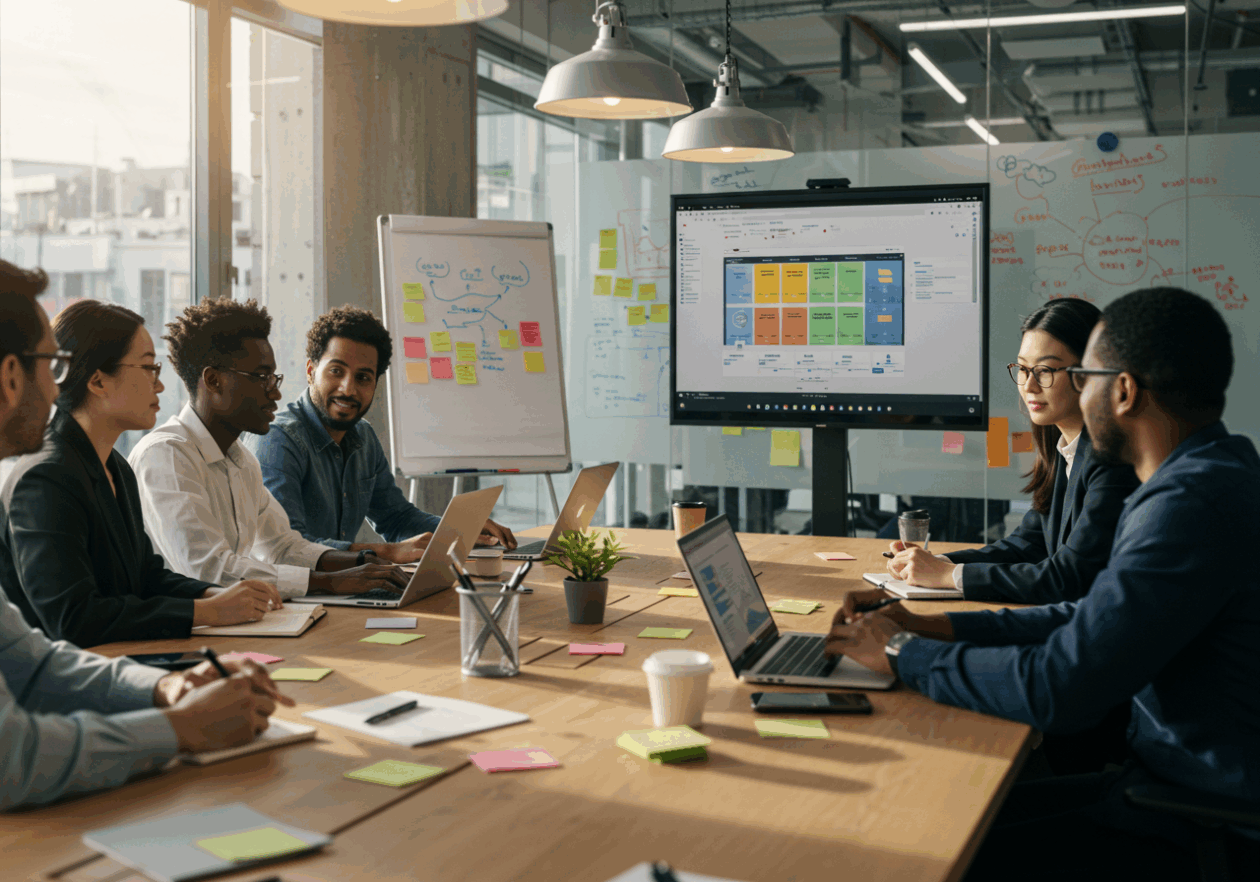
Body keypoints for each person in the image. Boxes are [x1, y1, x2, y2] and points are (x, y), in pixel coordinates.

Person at [828, 287, 1260, 880]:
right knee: (941, 821)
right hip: (1163, 785)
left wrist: (906, 655)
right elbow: (1088, 618)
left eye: (1082, 374)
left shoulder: (1188, 507)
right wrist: (932, 624)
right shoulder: (1210, 474)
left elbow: (1060, 683)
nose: (1074, 390)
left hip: (1203, 822)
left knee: (917, 849)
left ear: (1125, 391)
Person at [0, 259, 292, 810]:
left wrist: (166, 689)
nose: (55, 380)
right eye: (50, 362)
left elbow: (33, 661)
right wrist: (178, 727)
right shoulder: (43, 474)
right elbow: (13, 754)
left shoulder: (118, 466)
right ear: (13, 376)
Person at [0, 299, 283, 648]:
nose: (160, 386)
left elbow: (145, 575)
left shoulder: (116, 466)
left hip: (119, 659)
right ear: (99, 381)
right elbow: (72, 619)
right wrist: (206, 612)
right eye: (149, 368)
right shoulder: (44, 478)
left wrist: (216, 593)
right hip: (54, 689)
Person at [129, 298, 410, 598]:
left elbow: (283, 547)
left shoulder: (241, 461)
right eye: (261, 377)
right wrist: (333, 582)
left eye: (274, 378)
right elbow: (209, 570)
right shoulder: (166, 455)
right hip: (180, 633)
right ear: (213, 380)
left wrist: (363, 563)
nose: (275, 392)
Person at [887, 298, 1140, 604]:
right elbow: (1027, 545)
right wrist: (939, 564)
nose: (1029, 385)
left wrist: (946, 576)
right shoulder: (1064, 449)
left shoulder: (1113, 461)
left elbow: (1069, 578)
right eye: (1022, 368)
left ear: (1088, 372)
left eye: (1044, 370)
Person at [247, 305, 516, 561]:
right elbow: (286, 549)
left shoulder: (363, 437)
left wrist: (461, 528)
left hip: (339, 587)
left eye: (363, 377)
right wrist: (384, 552)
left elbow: (397, 518)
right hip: (285, 599)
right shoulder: (277, 440)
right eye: (336, 371)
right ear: (310, 371)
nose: (348, 389)